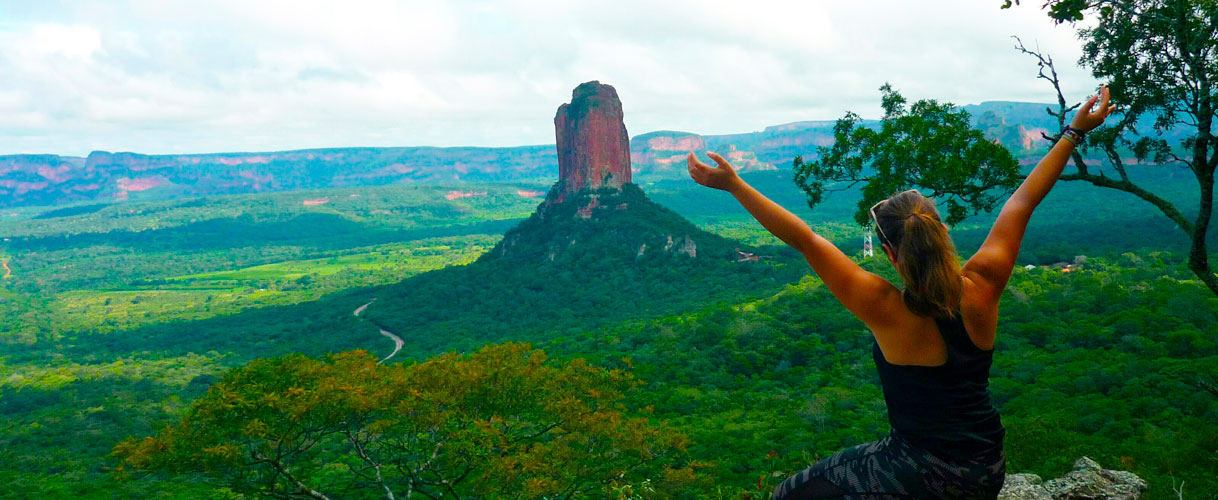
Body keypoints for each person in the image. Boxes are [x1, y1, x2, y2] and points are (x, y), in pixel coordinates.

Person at [686, 87, 1115, 499]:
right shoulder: (984, 283)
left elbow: (807, 240)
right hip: (987, 467)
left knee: (790, 493)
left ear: (890, 254)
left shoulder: (885, 308)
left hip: (922, 468)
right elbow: (1022, 201)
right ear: (943, 232)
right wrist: (1075, 132)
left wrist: (734, 185)